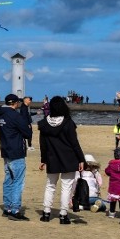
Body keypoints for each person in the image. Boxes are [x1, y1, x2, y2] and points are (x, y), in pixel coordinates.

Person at [37, 96, 85, 224]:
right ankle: (63, 215)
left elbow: (43, 144)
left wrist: (43, 159)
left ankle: (46, 213)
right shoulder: (68, 123)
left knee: (50, 185)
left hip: (52, 158)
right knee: (66, 187)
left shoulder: (44, 124)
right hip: (69, 158)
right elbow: (74, 143)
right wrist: (81, 159)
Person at [0, 94, 32, 221]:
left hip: (6, 149)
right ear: (15, 103)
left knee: (8, 179)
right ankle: (15, 210)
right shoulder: (15, 116)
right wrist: (27, 127)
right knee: (17, 181)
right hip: (16, 150)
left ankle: (7, 207)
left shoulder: (1, 114)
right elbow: (27, 133)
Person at [105, 147, 120, 219]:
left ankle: (112, 213)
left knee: (113, 200)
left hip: (113, 185)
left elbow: (107, 171)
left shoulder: (111, 164)